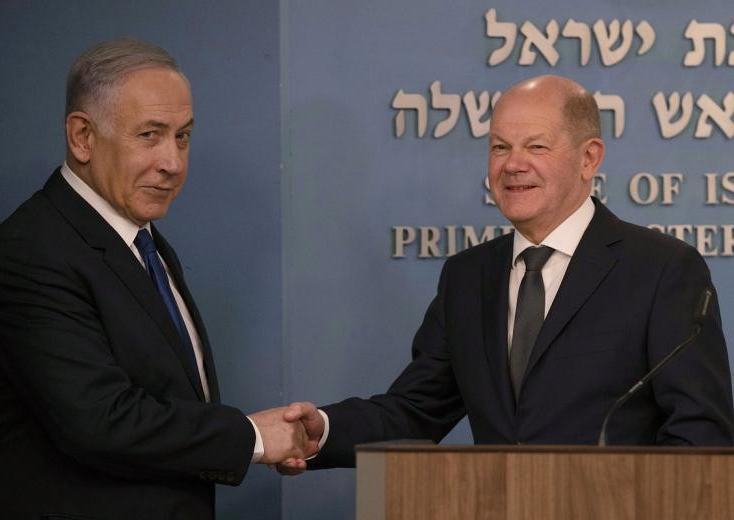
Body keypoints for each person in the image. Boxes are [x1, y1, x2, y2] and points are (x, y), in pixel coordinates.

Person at [280, 74, 734, 473]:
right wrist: (323, 430)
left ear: (589, 158)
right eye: (500, 147)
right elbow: (416, 410)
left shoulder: (661, 269)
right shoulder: (467, 277)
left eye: (536, 146)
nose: (513, 164)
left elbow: (699, 433)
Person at [0, 39, 317, 519]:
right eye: (150, 135)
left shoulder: (144, 241)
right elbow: (100, 421)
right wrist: (252, 438)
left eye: (182, 136)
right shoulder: (30, 251)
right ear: (82, 137)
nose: (173, 163)